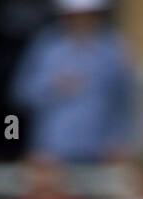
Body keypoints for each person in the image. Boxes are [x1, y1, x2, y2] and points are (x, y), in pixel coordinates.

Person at [9, 0, 135, 163]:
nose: (80, 21)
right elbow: (20, 93)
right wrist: (53, 86)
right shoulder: (46, 47)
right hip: (52, 152)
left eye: (86, 16)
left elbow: (124, 101)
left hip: (99, 152)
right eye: (74, 16)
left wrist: (120, 140)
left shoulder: (112, 49)